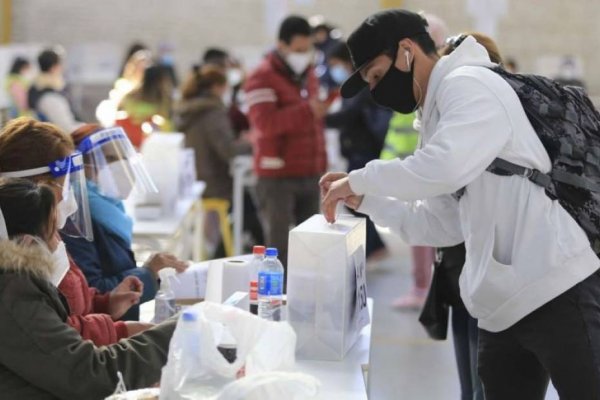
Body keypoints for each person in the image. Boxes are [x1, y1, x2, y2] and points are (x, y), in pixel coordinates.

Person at [321, 9, 600, 399]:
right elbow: (442, 224)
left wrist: (361, 176)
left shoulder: (470, 86)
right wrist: (367, 200)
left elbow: (444, 167)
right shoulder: (435, 112)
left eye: (378, 76)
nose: (376, 91)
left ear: (406, 50)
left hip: (557, 286)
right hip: (500, 308)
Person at [0, 178, 175, 399]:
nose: (59, 242)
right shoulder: (12, 294)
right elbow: (91, 374)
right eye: (53, 232)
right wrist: (177, 331)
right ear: (27, 244)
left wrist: (108, 309)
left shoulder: (17, 286)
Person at [0, 117, 153, 343]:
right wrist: (120, 331)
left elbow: (71, 300)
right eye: (66, 183)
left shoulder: (50, 233)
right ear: (40, 187)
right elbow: (57, 334)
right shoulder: (21, 256)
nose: (70, 193)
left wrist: (105, 302)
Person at [64, 123, 188, 320]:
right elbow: (92, 293)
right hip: (103, 338)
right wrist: (148, 272)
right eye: (111, 159)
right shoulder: (75, 217)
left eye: (125, 157)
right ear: (82, 166)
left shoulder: (109, 210)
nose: (123, 166)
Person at [244, 15, 328, 272]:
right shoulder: (262, 77)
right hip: (277, 176)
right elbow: (265, 124)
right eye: (298, 50)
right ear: (281, 45)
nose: (304, 55)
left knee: (309, 244)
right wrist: (307, 110)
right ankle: (275, 302)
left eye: (308, 49)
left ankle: (304, 298)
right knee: (278, 248)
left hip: (310, 170)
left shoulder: (309, 74)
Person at [325, 41, 392, 261]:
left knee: (356, 200)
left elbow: (348, 116)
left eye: (335, 64)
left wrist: (318, 119)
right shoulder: (358, 86)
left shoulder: (360, 86)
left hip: (363, 151)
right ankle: (374, 247)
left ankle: (374, 248)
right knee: (356, 200)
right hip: (360, 150)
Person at [176, 66, 252, 257]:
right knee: (249, 206)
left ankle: (220, 252)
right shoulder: (213, 113)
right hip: (215, 183)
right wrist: (252, 143)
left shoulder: (189, 110)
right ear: (218, 87)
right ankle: (232, 255)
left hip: (196, 180)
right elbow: (228, 150)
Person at [28, 48, 84, 133]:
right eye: (60, 64)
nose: (63, 68)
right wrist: (89, 128)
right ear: (53, 67)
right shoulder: (50, 95)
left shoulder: (38, 87)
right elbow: (66, 128)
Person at [119, 63, 175, 147]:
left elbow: (122, 115)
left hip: (130, 143)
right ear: (161, 80)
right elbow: (167, 124)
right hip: (157, 143)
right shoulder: (163, 100)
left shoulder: (130, 96)